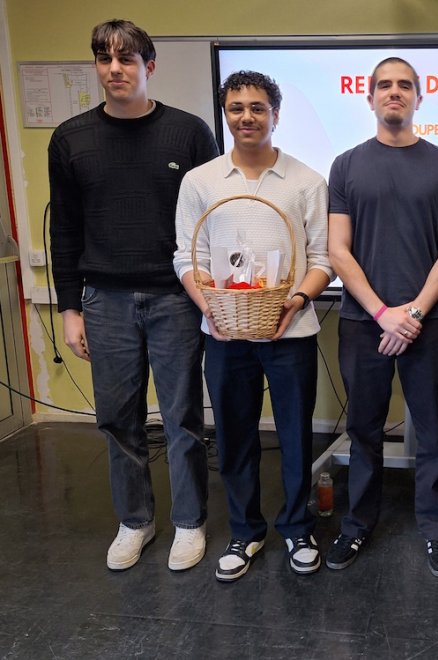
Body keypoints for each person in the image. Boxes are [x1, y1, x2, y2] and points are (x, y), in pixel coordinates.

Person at [49, 19, 219, 572]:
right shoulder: (70, 139)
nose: (115, 69)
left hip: (175, 298)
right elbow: (64, 231)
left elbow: (211, 222)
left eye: (126, 59)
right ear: (96, 66)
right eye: (105, 58)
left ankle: (189, 522)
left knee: (182, 417)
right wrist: (69, 309)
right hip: (105, 301)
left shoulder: (189, 133)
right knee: (118, 420)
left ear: (149, 67)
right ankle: (136, 521)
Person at [173, 71, 332, 581]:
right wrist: (210, 307)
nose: (247, 117)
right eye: (237, 108)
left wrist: (298, 298)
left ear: (275, 115)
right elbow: (188, 257)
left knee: (295, 434)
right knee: (235, 434)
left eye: (258, 108)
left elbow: (323, 258)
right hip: (224, 332)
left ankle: (298, 527)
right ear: (226, 114)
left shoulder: (307, 181)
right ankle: (245, 531)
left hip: (291, 330)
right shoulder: (200, 181)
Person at [326, 57, 438, 578]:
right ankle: (357, 524)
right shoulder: (346, 165)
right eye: (384, 85)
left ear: (418, 98)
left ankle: (436, 529)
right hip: (365, 323)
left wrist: (412, 313)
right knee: (363, 430)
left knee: (432, 432)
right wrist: (384, 313)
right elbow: (338, 250)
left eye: (404, 85)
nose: (394, 92)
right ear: (369, 98)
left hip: (427, 322)